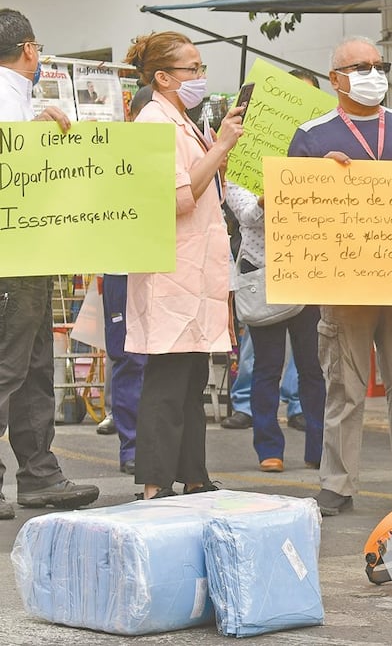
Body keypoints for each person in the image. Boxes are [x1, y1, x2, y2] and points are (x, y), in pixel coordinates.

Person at [289, 36, 392, 517]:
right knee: (345, 385)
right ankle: (337, 485)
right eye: (360, 66)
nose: (372, 73)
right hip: (345, 283)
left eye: (377, 64)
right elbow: (289, 206)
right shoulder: (312, 135)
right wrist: (318, 175)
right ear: (335, 79)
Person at [124, 31, 244, 499]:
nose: (200, 77)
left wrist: (218, 150)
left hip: (196, 268)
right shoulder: (154, 121)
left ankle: (194, 474)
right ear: (163, 77)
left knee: (193, 377)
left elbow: (204, 186)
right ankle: (154, 482)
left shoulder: (184, 120)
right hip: (172, 271)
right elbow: (177, 198)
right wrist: (220, 148)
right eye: (192, 69)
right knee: (169, 380)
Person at [0, 8, 99, 520]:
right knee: (10, 366)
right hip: (11, 257)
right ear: (31, 50)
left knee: (34, 366)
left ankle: (38, 475)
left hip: (29, 253)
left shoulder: (19, 99)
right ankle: (35, 474)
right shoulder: (7, 98)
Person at [225, 180, 325, 472]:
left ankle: (318, 449)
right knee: (267, 368)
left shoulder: (300, 163)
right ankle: (269, 449)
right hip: (263, 279)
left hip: (302, 270)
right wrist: (271, 196)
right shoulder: (238, 175)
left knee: (312, 368)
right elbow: (246, 216)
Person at [100, 83, 155, 475]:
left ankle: (161, 447)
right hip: (122, 272)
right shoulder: (111, 155)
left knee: (167, 362)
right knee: (129, 360)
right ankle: (132, 447)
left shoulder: (180, 150)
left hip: (166, 271)